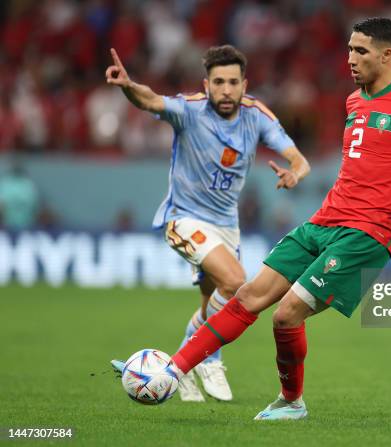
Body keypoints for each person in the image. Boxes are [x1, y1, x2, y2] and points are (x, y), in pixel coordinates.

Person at [132, 17, 391, 420]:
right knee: (249, 296)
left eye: (360, 51)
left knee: (286, 314)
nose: (350, 58)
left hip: (366, 234)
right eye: (348, 49)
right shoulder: (354, 100)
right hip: (323, 222)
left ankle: (292, 402)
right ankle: (170, 373)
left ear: (387, 54)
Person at [105, 45, 310, 402]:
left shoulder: (256, 115)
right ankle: (208, 358)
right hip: (182, 218)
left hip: (226, 227)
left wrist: (295, 173)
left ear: (245, 84)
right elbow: (151, 101)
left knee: (209, 307)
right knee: (235, 282)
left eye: (233, 82)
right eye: (219, 82)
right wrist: (128, 86)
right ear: (207, 84)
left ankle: (176, 367)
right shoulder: (190, 110)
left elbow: (298, 159)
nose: (226, 90)